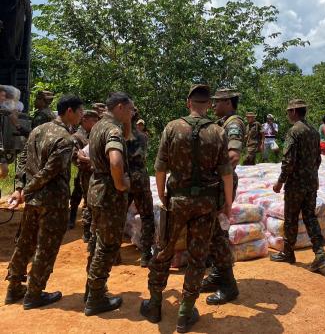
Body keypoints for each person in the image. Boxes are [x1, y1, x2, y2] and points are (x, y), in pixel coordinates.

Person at [140, 84, 233, 333]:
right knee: (197, 256)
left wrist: (161, 193)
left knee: (163, 251)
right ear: (208, 105)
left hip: (177, 201)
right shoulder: (218, 131)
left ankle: (155, 305)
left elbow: (160, 167)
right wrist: (228, 205)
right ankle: (184, 313)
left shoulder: (172, 127)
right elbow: (226, 173)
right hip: (206, 204)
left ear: (187, 102)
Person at [4, 94, 83, 308]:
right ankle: (34, 293)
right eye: (80, 111)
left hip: (33, 200)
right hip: (53, 202)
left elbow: (23, 158)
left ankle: (14, 289)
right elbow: (51, 171)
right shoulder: (66, 139)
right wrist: (26, 189)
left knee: (25, 243)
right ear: (69, 112)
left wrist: (22, 188)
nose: (81, 116)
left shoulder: (38, 130)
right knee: (46, 248)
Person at [84, 92, 134, 316]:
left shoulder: (97, 126)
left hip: (96, 192)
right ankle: (96, 298)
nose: (132, 113)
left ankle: (91, 290)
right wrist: (121, 183)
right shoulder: (113, 129)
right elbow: (115, 160)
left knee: (96, 241)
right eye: (130, 109)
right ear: (121, 107)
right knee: (108, 246)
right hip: (109, 195)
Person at [270, 99, 325, 271]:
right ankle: (320, 253)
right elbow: (318, 159)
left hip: (296, 184)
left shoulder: (294, 131)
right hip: (311, 183)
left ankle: (288, 253)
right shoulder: (313, 131)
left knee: (291, 218)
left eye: (289, 111)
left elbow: (288, 161)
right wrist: (312, 175)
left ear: (295, 111)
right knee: (310, 217)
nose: (287, 114)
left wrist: (280, 181)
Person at [200, 88, 246, 305]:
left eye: (217, 102)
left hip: (221, 183)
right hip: (216, 182)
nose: (213, 106)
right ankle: (218, 275)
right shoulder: (222, 123)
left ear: (228, 102)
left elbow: (233, 156)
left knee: (218, 232)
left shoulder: (233, 123)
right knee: (213, 230)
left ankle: (229, 285)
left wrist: (211, 172)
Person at [125, 108, 155, 267]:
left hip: (123, 178)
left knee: (118, 215)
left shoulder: (117, 135)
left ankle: (114, 254)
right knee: (147, 216)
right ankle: (145, 256)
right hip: (140, 178)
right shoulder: (143, 137)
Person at [68, 110, 99, 234]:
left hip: (94, 174)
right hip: (83, 174)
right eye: (94, 121)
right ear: (85, 120)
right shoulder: (77, 136)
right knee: (78, 198)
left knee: (91, 200)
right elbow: (75, 157)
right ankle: (73, 220)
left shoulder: (95, 134)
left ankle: (90, 227)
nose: (96, 123)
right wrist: (89, 161)